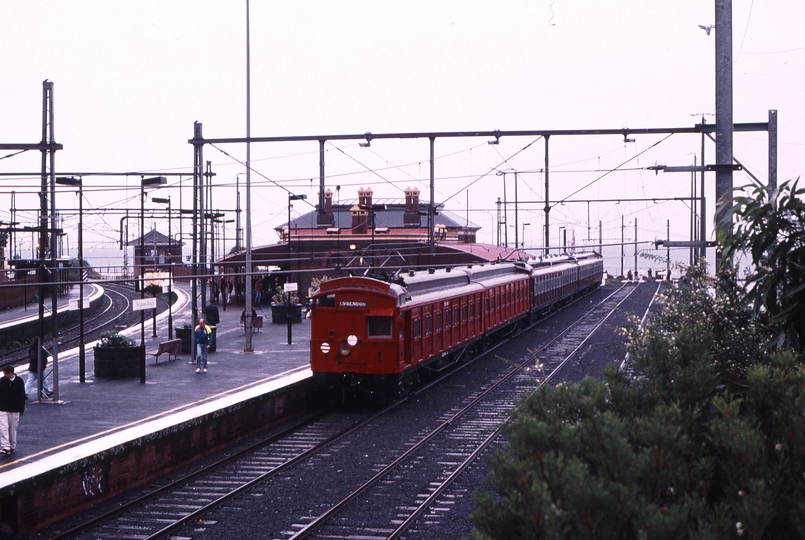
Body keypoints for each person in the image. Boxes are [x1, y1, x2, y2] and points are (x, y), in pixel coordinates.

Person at [0, 365, 26, 455]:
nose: (5, 375)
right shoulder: (2, 381)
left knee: (12, 428)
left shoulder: (19, 381)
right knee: (3, 427)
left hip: (14, 409)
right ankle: (5, 446)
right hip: (3, 408)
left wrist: (21, 408)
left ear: (11, 373)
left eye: (6, 374)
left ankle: (12, 446)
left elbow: (22, 395)